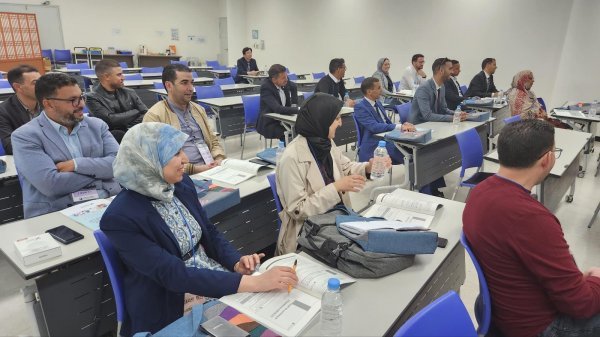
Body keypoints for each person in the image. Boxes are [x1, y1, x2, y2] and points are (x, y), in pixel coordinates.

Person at [100, 122, 298, 336]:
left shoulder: (180, 184)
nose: (185, 159)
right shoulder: (120, 218)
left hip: (209, 276)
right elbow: (172, 274)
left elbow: (208, 232)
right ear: (148, 161)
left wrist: (234, 262)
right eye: (176, 153)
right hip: (173, 300)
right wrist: (253, 282)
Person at [463, 119, 600, 337]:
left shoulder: (479, 191)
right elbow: (581, 304)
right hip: (536, 326)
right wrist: (595, 279)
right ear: (547, 159)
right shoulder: (531, 218)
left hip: (503, 310)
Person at [275, 93, 388, 255]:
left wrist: (369, 167)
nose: (341, 123)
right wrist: (335, 188)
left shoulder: (325, 142)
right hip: (308, 233)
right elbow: (298, 209)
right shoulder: (291, 157)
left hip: (335, 219)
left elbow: (346, 167)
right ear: (321, 120)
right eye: (336, 119)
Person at [11, 73, 121, 218]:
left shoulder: (97, 126)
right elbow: (51, 185)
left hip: (106, 201)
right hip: (56, 212)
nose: (81, 104)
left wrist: (77, 165)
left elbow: (120, 165)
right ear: (48, 103)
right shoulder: (26, 136)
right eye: (72, 100)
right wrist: (100, 174)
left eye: (81, 97)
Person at [143, 64, 225, 174]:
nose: (191, 88)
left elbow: (213, 141)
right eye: (184, 83)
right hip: (182, 176)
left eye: (192, 83)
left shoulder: (198, 110)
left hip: (212, 167)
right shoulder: (155, 116)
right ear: (169, 86)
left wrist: (219, 159)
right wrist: (197, 169)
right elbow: (159, 160)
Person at [354, 77, 415, 163]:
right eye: (378, 88)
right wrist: (399, 126)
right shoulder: (360, 107)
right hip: (374, 142)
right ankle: (417, 173)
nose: (381, 90)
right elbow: (374, 127)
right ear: (369, 92)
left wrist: (403, 127)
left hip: (387, 136)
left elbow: (386, 123)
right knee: (410, 156)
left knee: (413, 146)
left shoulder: (378, 102)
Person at [86, 59, 148, 143]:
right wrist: (136, 111)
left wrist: (127, 126)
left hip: (134, 134)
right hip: (110, 140)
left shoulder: (129, 92)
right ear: (106, 77)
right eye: (119, 75)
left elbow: (146, 113)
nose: (123, 77)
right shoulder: (92, 98)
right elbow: (110, 121)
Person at [409, 57, 467, 125]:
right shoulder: (424, 89)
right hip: (419, 125)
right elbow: (428, 116)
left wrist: (457, 114)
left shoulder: (442, 86)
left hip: (433, 123)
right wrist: (453, 118)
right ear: (441, 71)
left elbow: (444, 109)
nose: (452, 72)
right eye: (450, 69)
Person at [0, 65, 41, 154]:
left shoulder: (49, 103)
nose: (42, 86)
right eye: (35, 83)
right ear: (18, 87)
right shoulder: (3, 111)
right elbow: (10, 146)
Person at [257, 64, 299, 141]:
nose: (286, 79)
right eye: (283, 78)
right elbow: (278, 109)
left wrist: (294, 105)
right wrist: (298, 110)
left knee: (303, 129)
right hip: (270, 123)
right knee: (290, 134)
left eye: (286, 76)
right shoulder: (266, 88)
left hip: (284, 119)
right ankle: (289, 152)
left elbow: (293, 86)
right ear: (274, 80)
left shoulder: (284, 82)